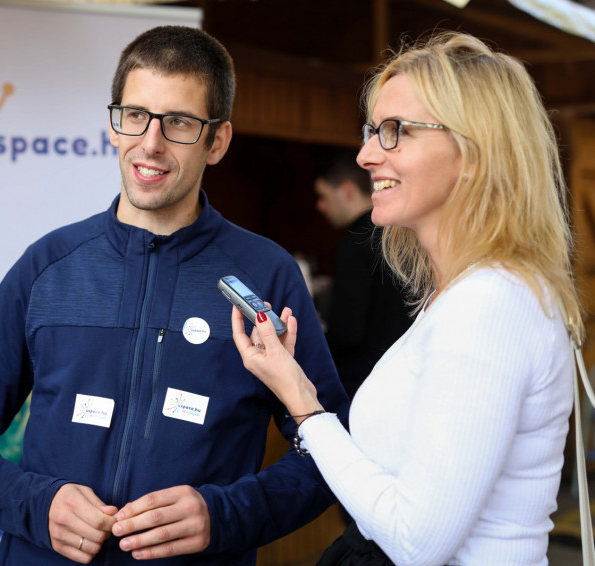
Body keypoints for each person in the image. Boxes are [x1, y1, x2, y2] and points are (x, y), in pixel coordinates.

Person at [0, 25, 349, 566]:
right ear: (114, 124)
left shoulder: (266, 275)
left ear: (217, 141)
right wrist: (37, 504)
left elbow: (328, 445)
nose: (150, 143)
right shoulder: (49, 266)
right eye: (135, 115)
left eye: (179, 122)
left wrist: (224, 516)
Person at [232, 31, 582, 565]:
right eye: (372, 131)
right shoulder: (465, 292)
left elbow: (417, 541)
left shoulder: (490, 303)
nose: (367, 154)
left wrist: (302, 402)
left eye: (395, 131)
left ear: (474, 150)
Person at [314, 155, 413, 398]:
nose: (320, 206)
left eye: (324, 196)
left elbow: (348, 331)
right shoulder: (402, 236)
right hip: (404, 374)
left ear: (347, 190)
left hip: (362, 382)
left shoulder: (354, 243)